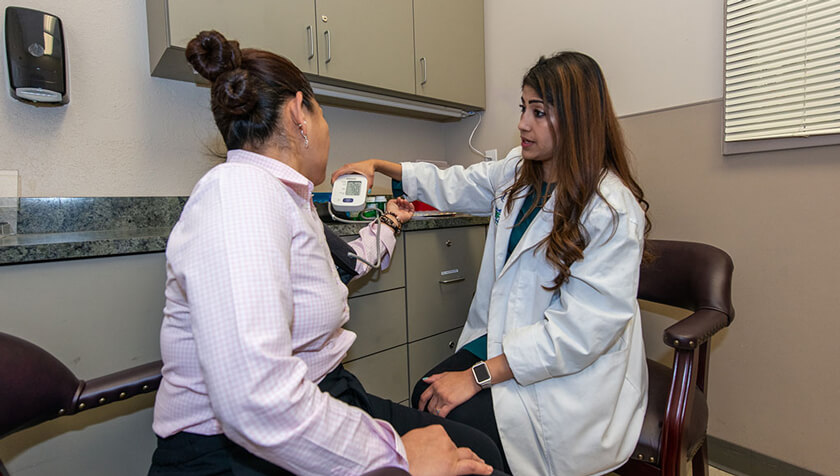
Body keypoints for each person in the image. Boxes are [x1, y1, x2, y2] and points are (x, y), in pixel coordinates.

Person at [149, 30, 503, 476]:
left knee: (476, 450)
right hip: (233, 452)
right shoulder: (238, 196)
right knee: (475, 460)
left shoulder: (286, 198)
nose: (327, 131)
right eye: (323, 114)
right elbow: (254, 399)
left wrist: (390, 222)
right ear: (300, 113)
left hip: (323, 394)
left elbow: (341, 266)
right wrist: (398, 457)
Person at [331, 52, 652, 475]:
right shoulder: (521, 174)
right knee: (425, 395)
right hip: (508, 344)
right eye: (524, 108)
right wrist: (377, 164)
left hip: (570, 382)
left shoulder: (609, 210)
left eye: (539, 112)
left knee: (452, 419)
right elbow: (457, 182)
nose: (522, 123)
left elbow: (578, 336)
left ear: (576, 120)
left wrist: (476, 377)